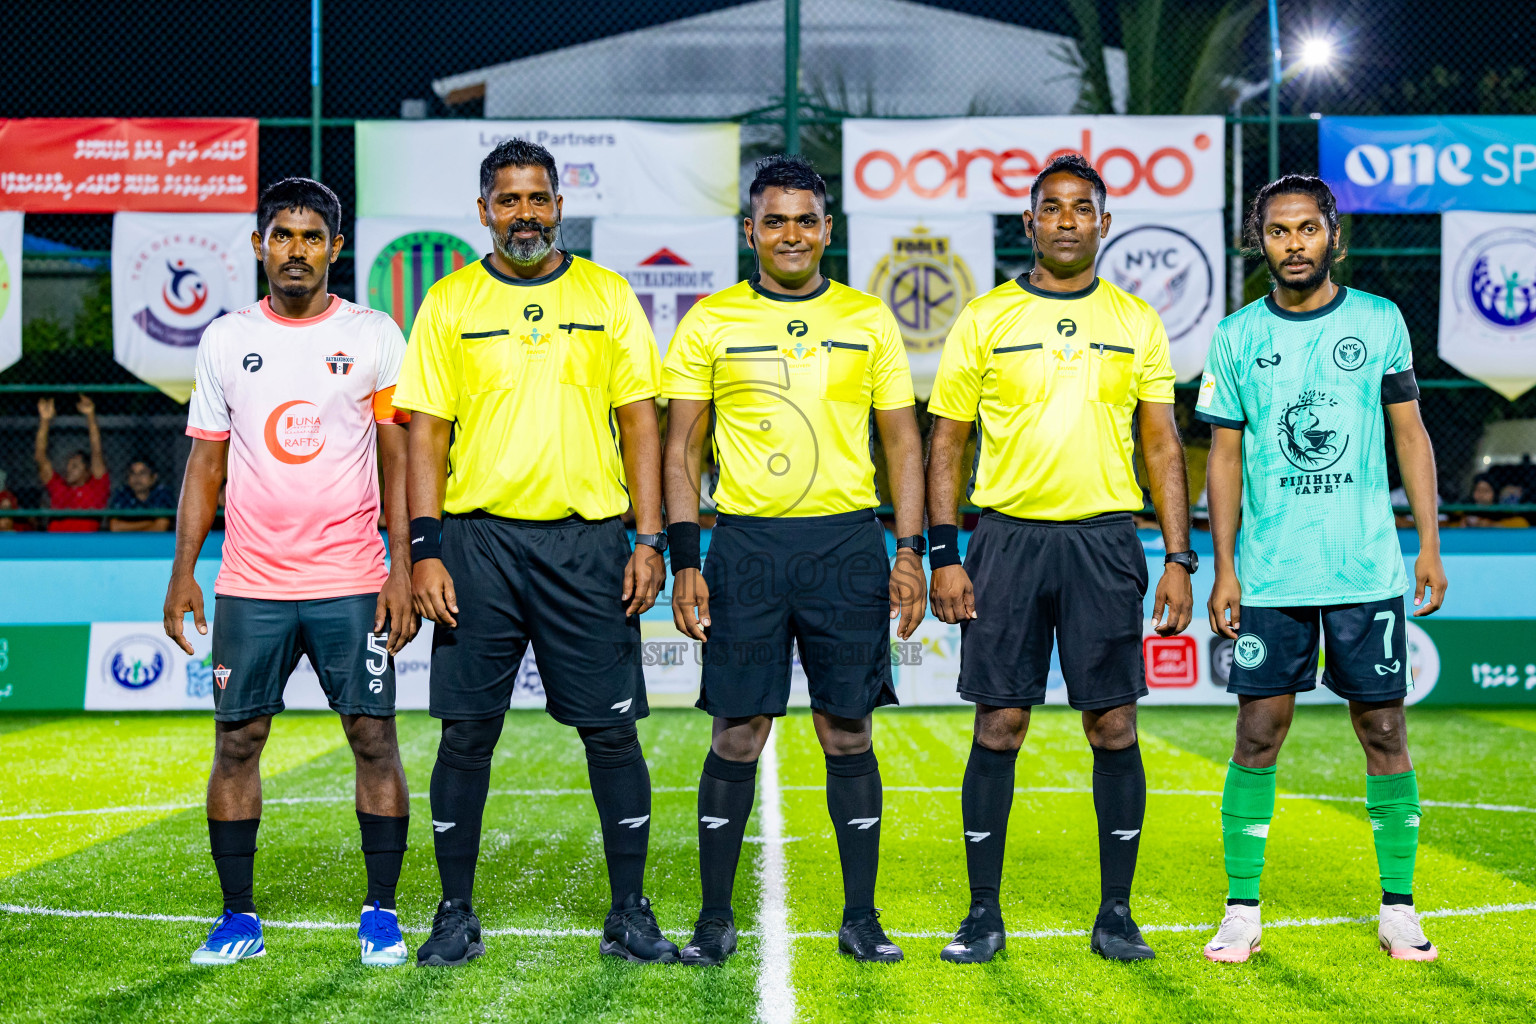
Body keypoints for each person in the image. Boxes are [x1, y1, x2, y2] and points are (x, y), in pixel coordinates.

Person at [396, 138, 673, 967]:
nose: (525, 214)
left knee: (612, 736)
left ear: (559, 206)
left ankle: (629, 912)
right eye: (508, 200)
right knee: (466, 732)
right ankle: (453, 912)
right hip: (477, 545)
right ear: (484, 210)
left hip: (587, 546)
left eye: (539, 199)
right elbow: (424, 438)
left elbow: (641, 427)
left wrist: (649, 540)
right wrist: (423, 551)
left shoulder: (608, 295)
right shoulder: (448, 303)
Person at [926, 153, 1195, 964]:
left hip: (1105, 539)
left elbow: (1162, 444)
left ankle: (1116, 913)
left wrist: (1180, 556)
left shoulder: (1136, 320)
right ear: (1030, 222)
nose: (1068, 219)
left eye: (1084, 207)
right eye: (1053, 207)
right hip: (1006, 540)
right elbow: (948, 441)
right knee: (1000, 722)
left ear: (1104, 224)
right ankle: (982, 913)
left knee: (1112, 723)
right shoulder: (986, 317)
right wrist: (945, 552)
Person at [663, 155, 927, 966]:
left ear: (827, 230)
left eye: (804, 219)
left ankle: (860, 917)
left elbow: (903, 445)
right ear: (750, 231)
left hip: (846, 543)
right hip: (744, 546)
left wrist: (909, 550)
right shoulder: (709, 320)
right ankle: (714, 919)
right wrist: (686, 558)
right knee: (737, 735)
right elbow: (681, 450)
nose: (790, 233)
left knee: (847, 733)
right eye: (773, 220)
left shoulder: (869, 318)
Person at [163, 177, 418, 968]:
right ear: (258, 245)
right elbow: (205, 465)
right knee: (237, 740)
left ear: (336, 248)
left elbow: (399, 459)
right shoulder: (224, 338)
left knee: (373, 737)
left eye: (312, 237)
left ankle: (381, 911)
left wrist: (402, 565)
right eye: (282, 235)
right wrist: (183, 572)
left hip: (351, 575)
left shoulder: (375, 335)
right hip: (250, 582)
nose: (296, 250)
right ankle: (237, 917)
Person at [1196, 175, 1448, 964]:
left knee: (1383, 729)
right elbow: (1225, 457)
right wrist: (1224, 567)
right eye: (1279, 231)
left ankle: (1399, 909)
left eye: (1308, 229)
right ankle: (1242, 909)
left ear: (1333, 235)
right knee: (1258, 733)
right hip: (1273, 573)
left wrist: (1429, 544)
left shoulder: (1379, 322)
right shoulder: (1237, 336)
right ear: (1259, 240)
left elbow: (1410, 436)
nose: (1294, 244)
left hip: (1365, 567)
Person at [35, 394, 109, 532]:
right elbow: (40, 457)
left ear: (88, 471)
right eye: (68, 465)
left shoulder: (97, 488)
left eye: (75, 466)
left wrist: (90, 416)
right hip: (56, 545)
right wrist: (44, 421)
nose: (68, 469)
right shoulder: (59, 486)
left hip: (85, 546)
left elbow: (96, 450)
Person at [109, 457, 175, 531]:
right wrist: (149, 523)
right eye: (132, 473)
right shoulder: (123, 493)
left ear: (154, 477)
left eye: (143, 473)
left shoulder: (162, 493)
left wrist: (128, 527)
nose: (137, 477)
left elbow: (161, 526)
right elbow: (115, 527)